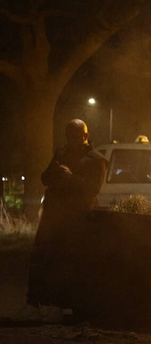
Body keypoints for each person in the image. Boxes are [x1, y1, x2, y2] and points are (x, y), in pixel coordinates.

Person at [22, 119, 107, 320]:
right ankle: (34, 304)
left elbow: (92, 190)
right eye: (68, 137)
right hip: (52, 216)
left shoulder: (96, 160)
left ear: (85, 136)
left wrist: (70, 177)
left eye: (75, 137)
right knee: (41, 258)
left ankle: (59, 307)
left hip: (74, 219)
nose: (71, 141)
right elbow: (45, 179)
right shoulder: (62, 153)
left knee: (65, 262)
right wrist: (54, 171)